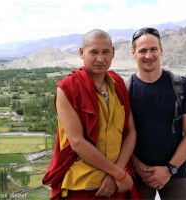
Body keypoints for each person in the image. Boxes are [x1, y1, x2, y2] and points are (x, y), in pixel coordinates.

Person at [42, 29, 141, 199]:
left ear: (113, 52)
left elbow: (131, 132)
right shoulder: (68, 88)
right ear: (82, 53)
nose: (100, 59)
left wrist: (116, 173)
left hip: (117, 185)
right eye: (93, 52)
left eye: (105, 52)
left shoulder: (117, 84)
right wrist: (118, 174)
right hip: (83, 186)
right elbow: (77, 142)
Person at [128, 27, 186, 199]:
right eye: (142, 50)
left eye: (153, 49)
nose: (148, 55)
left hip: (176, 171)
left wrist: (169, 169)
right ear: (133, 53)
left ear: (161, 50)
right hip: (138, 174)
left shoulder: (182, 86)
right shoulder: (125, 89)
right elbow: (121, 135)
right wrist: (137, 167)